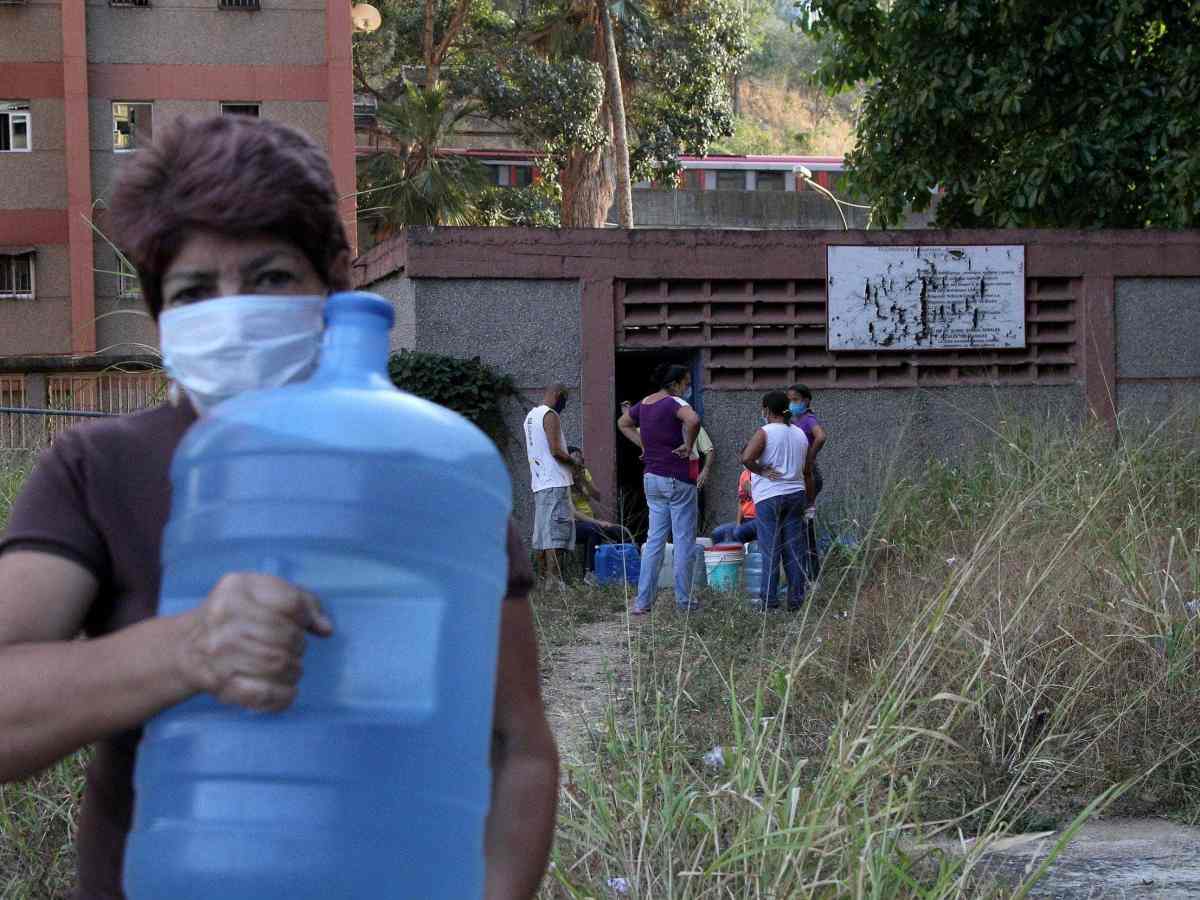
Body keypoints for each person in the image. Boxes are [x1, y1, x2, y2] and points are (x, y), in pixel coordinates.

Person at [0, 116, 558, 900]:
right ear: (164, 321)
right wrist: (189, 648)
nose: (234, 313)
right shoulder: (100, 469)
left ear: (333, 286)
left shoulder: (427, 479)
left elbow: (516, 744)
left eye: (268, 279)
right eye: (196, 291)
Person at [617, 364, 701, 614]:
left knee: (654, 540)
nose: (688, 388)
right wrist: (689, 444)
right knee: (683, 540)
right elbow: (694, 420)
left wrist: (644, 445)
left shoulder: (644, 403)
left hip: (651, 477)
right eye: (686, 383)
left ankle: (642, 603)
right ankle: (684, 602)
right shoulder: (674, 402)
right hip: (676, 477)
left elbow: (623, 423)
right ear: (675, 383)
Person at [742, 390, 815, 611]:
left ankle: (769, 602)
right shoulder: (800, 434)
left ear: (766, 410)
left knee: (770, 550)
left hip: (770, 496)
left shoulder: (765, 432)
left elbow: (746, 458)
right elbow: (806, 469)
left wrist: (761, 471)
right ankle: (796, 601)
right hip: (796, 495)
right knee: (794, 550)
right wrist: (810, 501)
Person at [523, 383, 577, 585]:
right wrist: (575, 463)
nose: (564, 405)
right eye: (564, 399)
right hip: (554, 480)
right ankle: (554, 579)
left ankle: (546, 577)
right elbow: (555, 450)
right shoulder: (550, 415)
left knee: (545, 532)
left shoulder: (530, 417)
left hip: (540, 481)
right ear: (557, 395)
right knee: (555, 532)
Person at [787, 384, 828, 579]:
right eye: (790, 400)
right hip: (803, 477)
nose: (792, 404)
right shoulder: (797, 420)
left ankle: (810, 577)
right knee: (802, 530)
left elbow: (821, 437)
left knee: (803, 531)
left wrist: (810, 459)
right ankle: (808, 575)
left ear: (806, 401)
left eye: (796, 400)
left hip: (808, 477)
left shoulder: (808, 419)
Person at [567, 446, 624, 583]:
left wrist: (584, 480)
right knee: (593, 530)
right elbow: (573, 512)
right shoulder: (563, 479)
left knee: (619, 531)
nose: (578, 461)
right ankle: (590, 573)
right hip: (573, 523)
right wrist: (598, 522)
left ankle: (623, 570)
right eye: (575, 458)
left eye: (580, 458)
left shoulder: (584, 473)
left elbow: (597, 496)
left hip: (590, 521)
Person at [711, 468, 758, 546]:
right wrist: (738, 523)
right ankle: (723, 557)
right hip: (746, 520)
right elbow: (741, 502)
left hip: (760, 519)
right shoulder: (744, 474)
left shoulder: (762, 473)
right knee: (717, 533)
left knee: (738, 532)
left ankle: (741, 556)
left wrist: (751, 490)